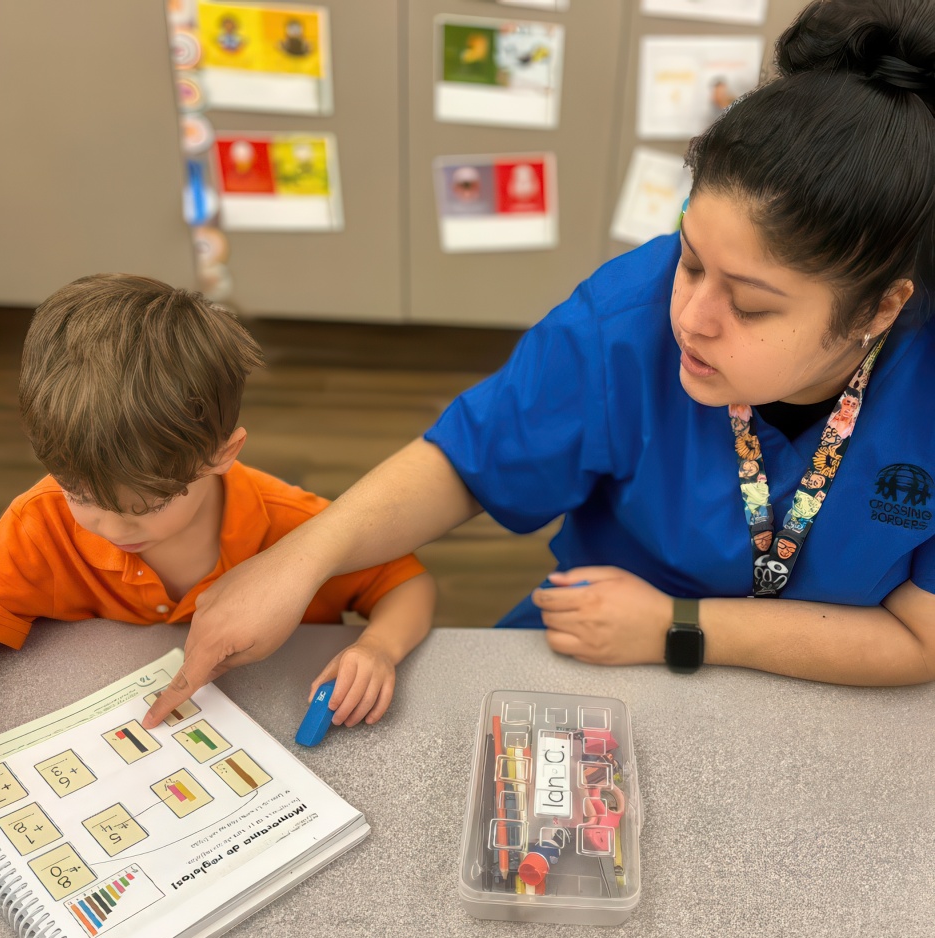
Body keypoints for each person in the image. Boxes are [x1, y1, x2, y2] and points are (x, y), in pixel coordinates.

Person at [143, 0, 935, 726]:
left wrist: (680, 630)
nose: (690, 319)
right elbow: (470, 462)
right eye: (692, 261)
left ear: (880, 309)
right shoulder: (625, 320)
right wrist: (298, 561)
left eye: (753, 306)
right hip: (595, 648)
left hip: (824, 705)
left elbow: (920, 641)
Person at [0, 275, 436, 807]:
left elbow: (406, 583)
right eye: (79, 494)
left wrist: (379, 646)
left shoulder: (291, 525)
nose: (110, 529)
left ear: (223, 453)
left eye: (146, 507)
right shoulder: (41, 524)